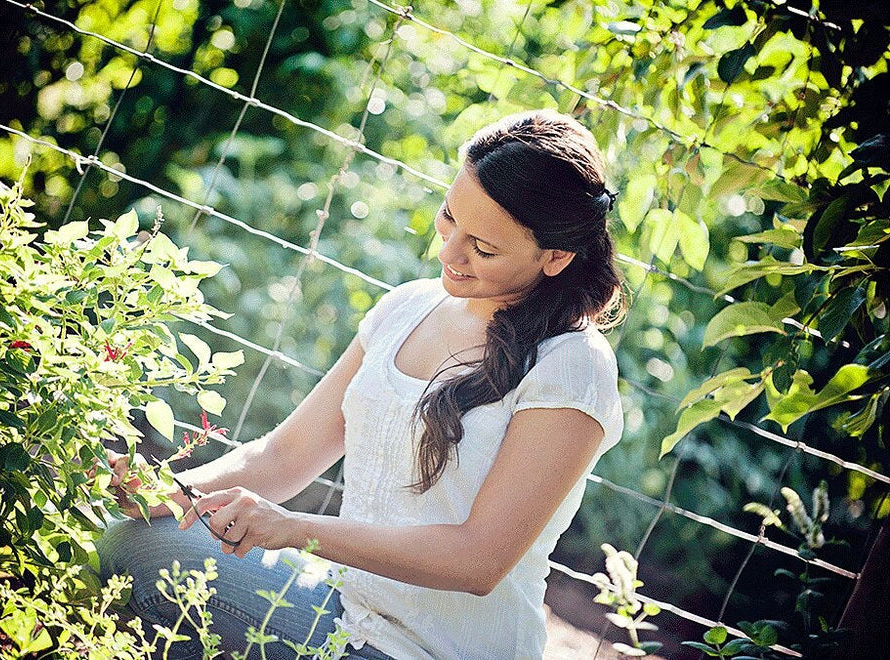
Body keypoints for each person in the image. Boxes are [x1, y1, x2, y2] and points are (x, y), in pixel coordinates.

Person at [97, 109, 626, 659]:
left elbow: (478, 560)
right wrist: (164, 491)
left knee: (160, 568)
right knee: (140, 544)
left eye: (484, 249)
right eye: (449, 218)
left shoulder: (572, 366)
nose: (448, 253)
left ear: (556, 257)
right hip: (344, 607)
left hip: (425, 650)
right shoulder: (409, 307)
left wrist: (293, 528)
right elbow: (282, 456)